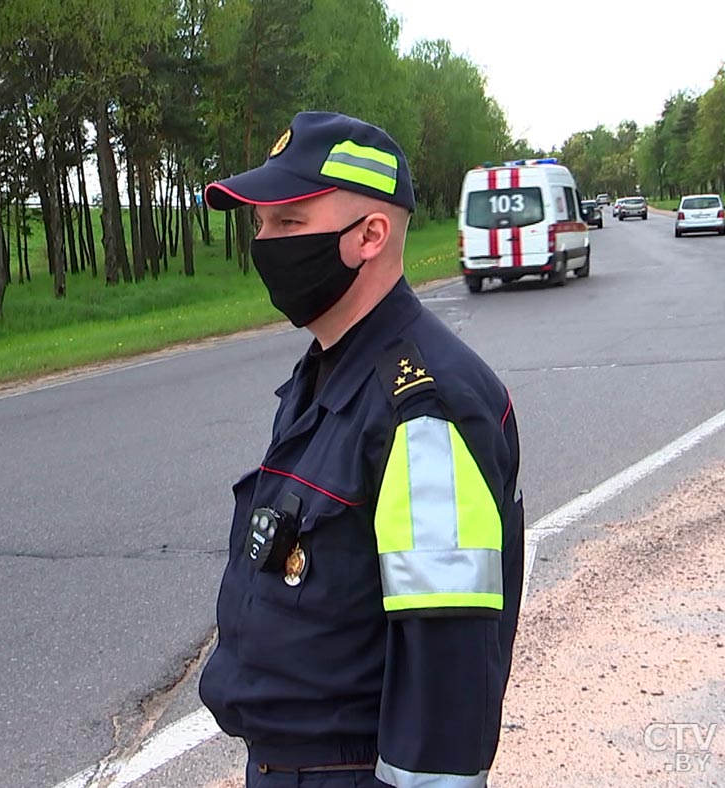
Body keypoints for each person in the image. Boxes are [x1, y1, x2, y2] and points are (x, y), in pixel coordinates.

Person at [197, 111, 524, 788]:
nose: (264, 244)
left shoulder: (425, 410)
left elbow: (447, 684)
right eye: (260, 225)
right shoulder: (326, 371)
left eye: (287, 224)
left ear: (370, 235)